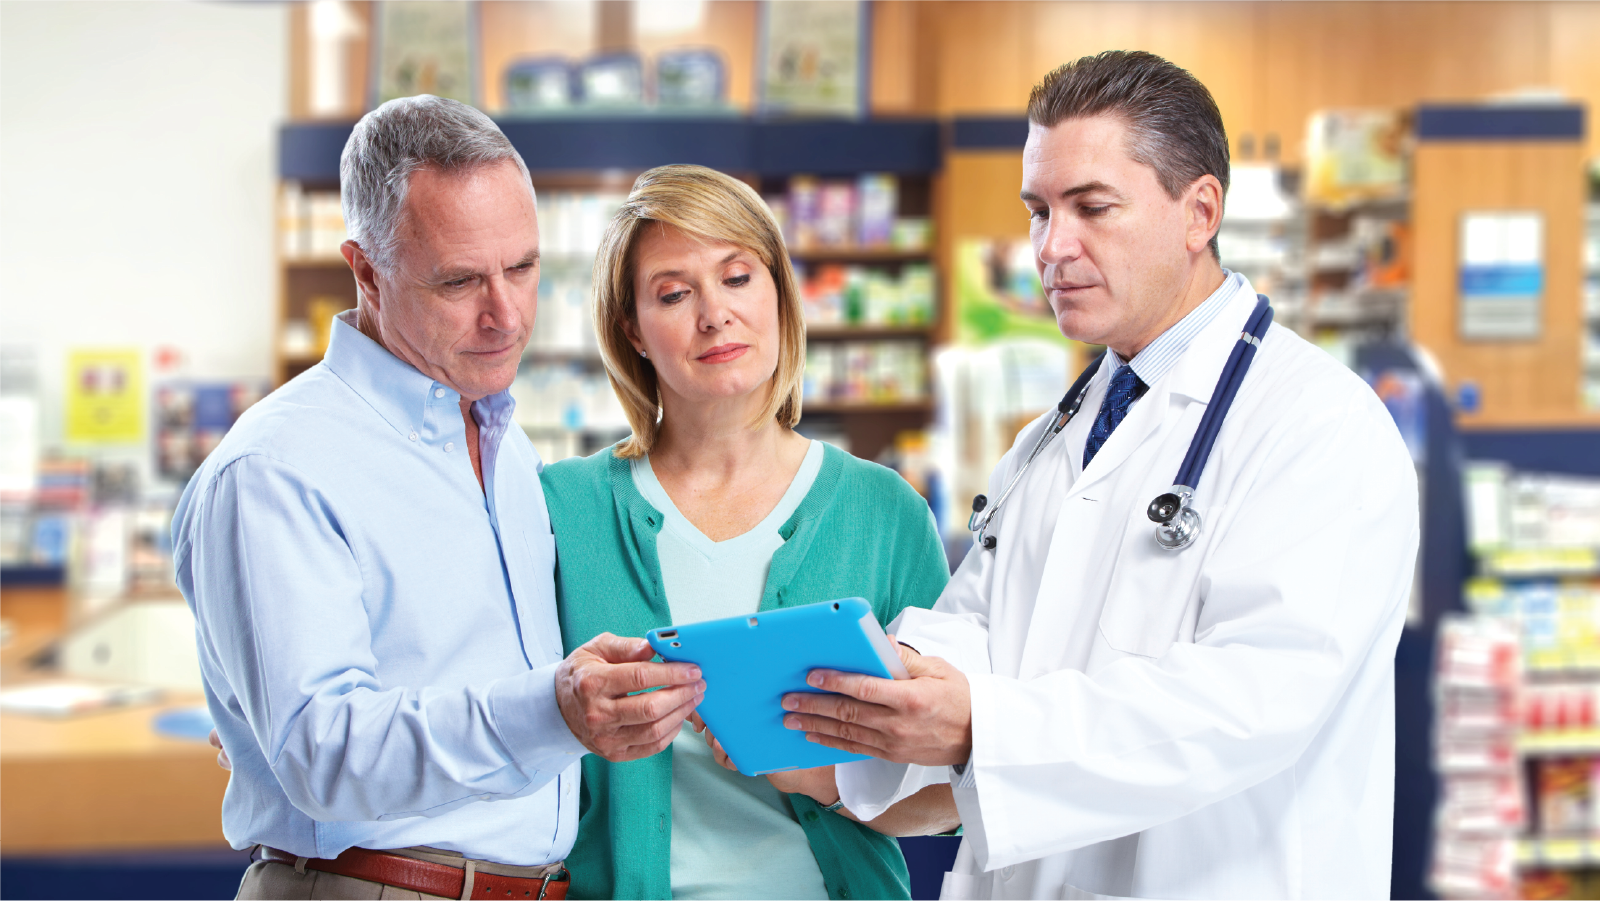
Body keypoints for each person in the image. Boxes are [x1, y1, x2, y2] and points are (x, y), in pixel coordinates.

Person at [782, 51, 1420, 899]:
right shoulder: (1053, 436)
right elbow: (978, 625)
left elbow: (1249, 702)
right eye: (1039, 211)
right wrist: (882, 682)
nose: (1051, 246)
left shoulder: (1318, 425)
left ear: (1199, 212)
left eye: (1091, 208)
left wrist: (982, 724)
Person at [173, 96, 705, 901]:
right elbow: (322, 754)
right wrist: (554, 713)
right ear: (365, 272)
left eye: (523, 268)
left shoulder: (508, 452)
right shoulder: (278, 466)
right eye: (459, 281)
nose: (506, 314)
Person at [539, 164, 960, 900]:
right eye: (673, 293)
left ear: (778, 294)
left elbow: (948, 792)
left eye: (738, 277)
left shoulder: (884, 511)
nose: (714, 314)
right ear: (631, 328)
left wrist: (820, 776)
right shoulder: (560, 509)